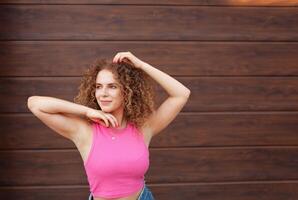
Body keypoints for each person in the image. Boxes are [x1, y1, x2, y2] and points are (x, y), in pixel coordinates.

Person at [27, 52, 191, 200]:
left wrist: (141, 65)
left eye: (112, 86)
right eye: (99, 87)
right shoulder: (85, 130)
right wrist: (87, 112)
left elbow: (181, 94)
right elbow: (35, 104)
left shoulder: (143, 127)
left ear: (127, 91)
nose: (103, 93)